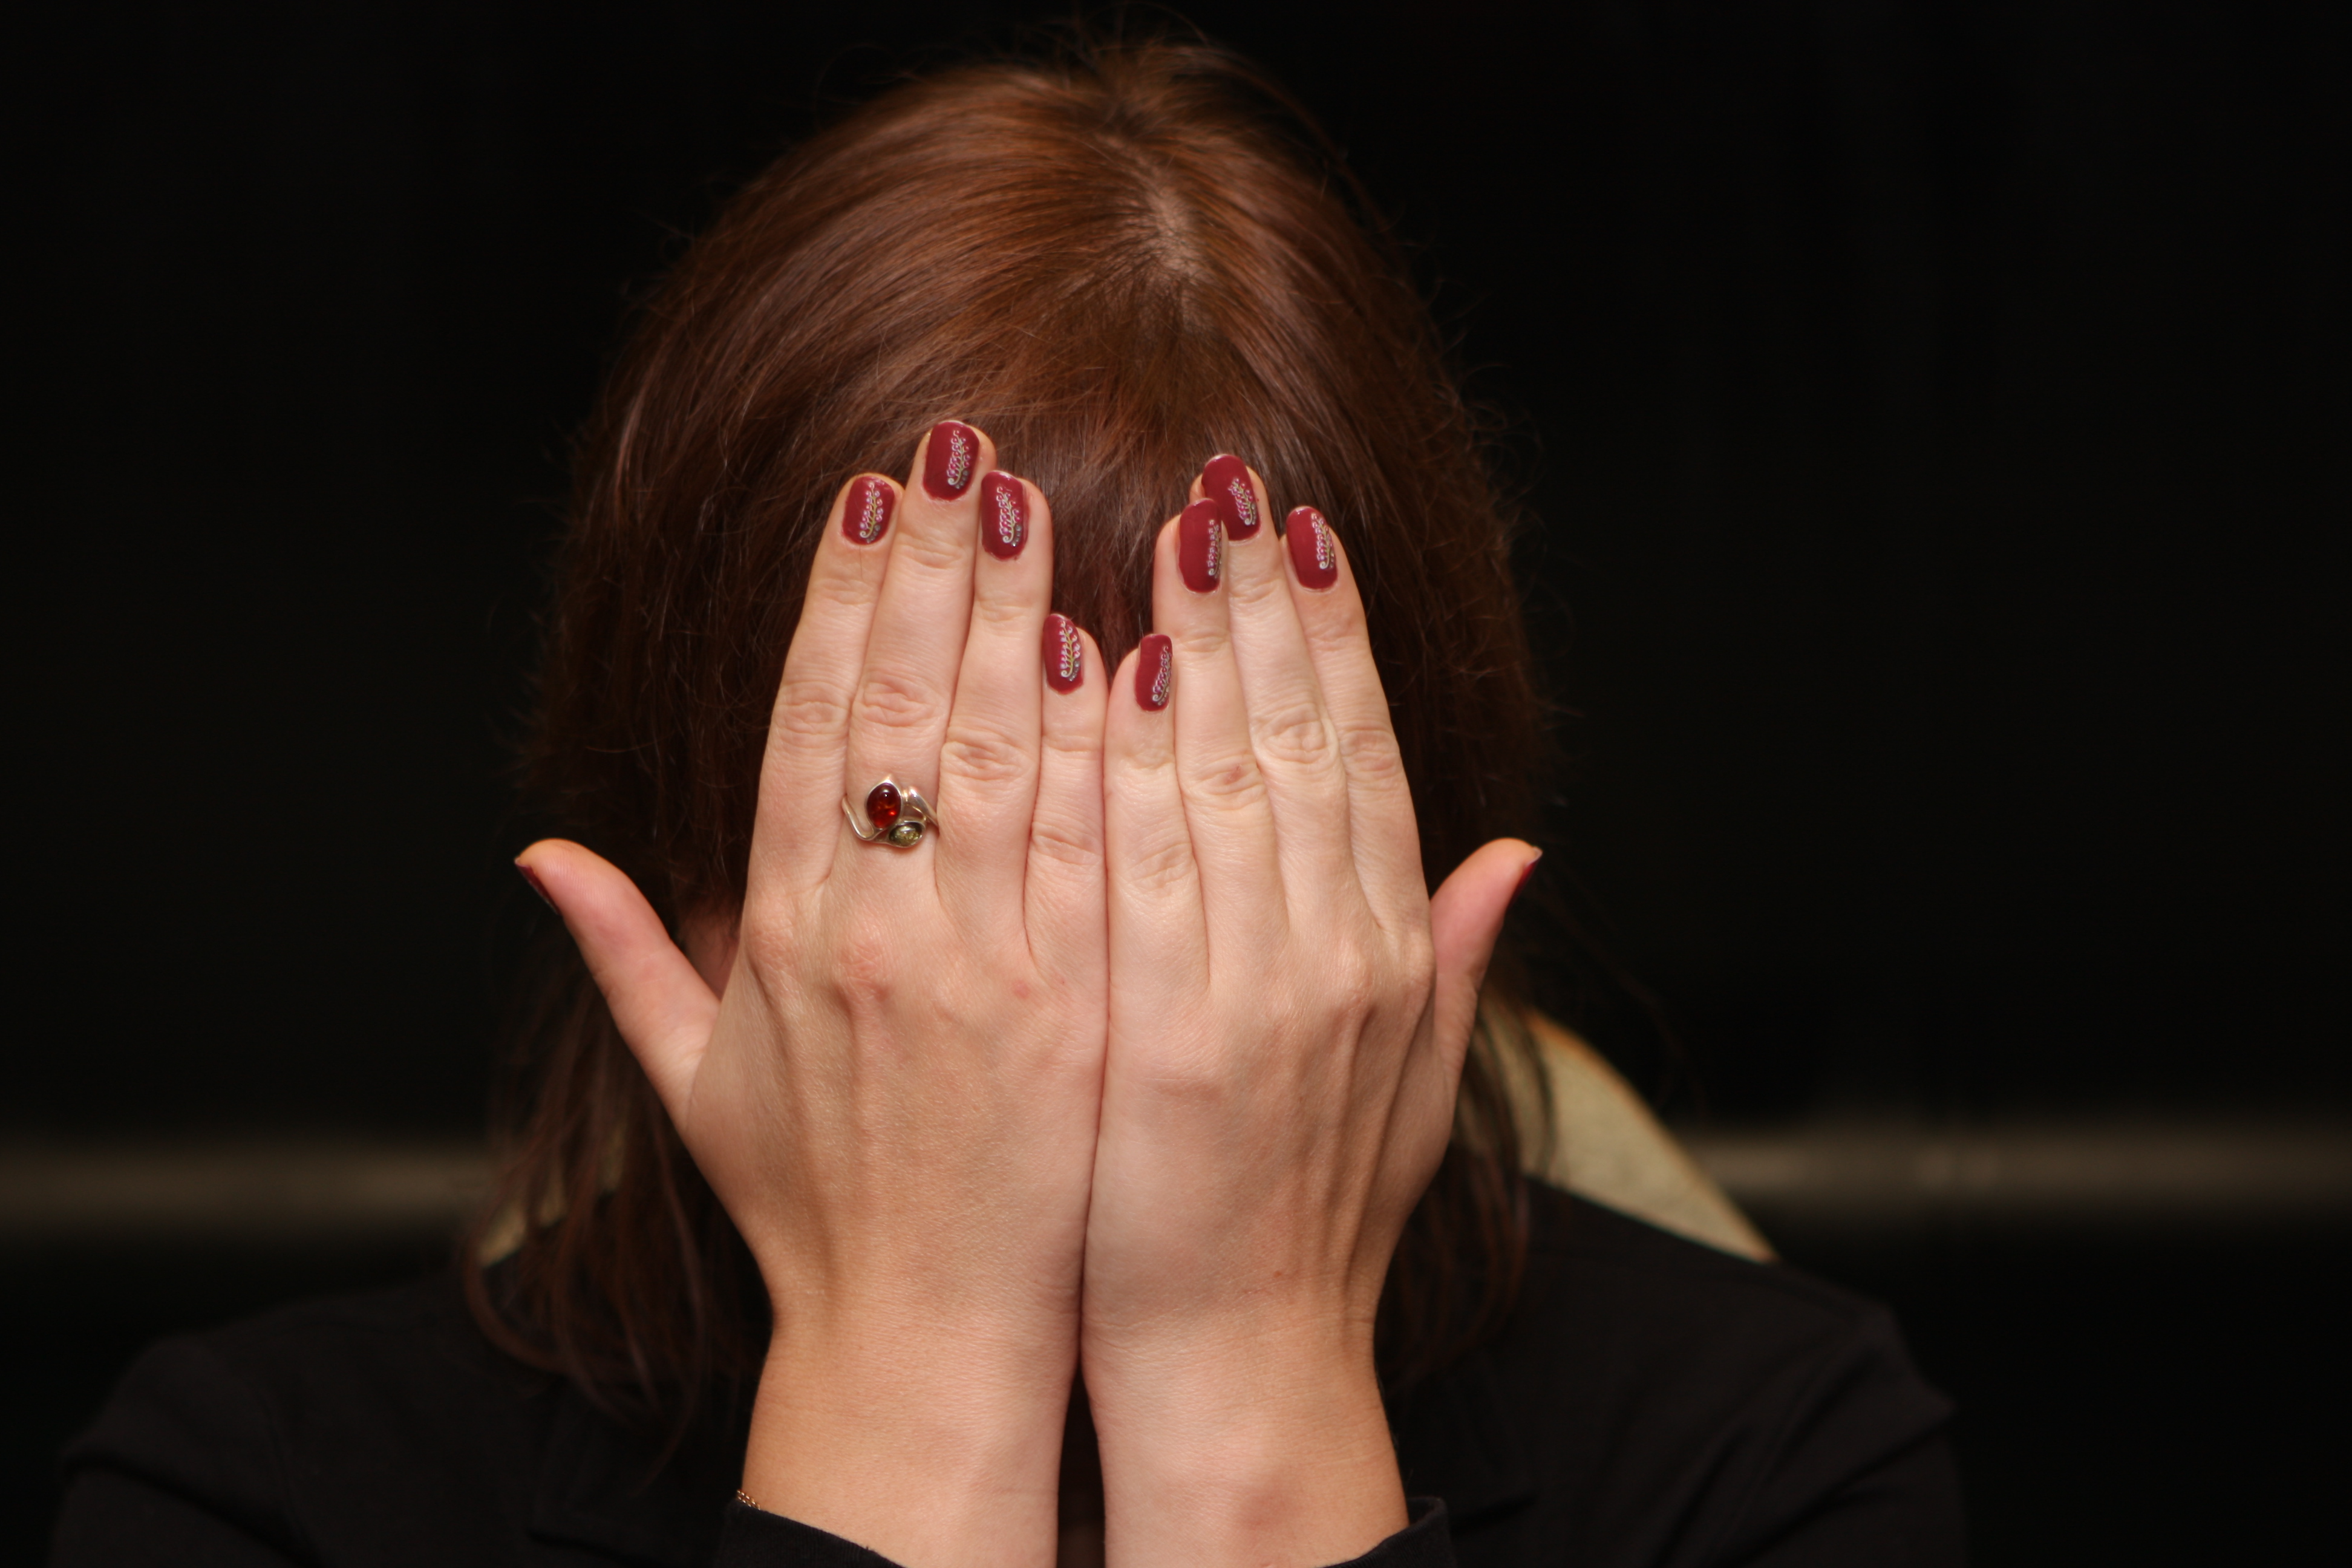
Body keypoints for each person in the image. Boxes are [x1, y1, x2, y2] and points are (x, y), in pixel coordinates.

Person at [52, 38, 1963, 1568]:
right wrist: (912, 1370)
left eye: (1192, 833)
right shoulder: (257, 1498)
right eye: (914, 824)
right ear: (677, 840)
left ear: (1393, 867)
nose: (1016, 997)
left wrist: (1243, 1382)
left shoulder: (1773, 1469)